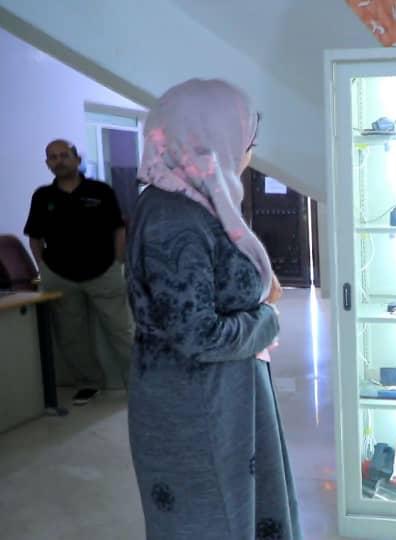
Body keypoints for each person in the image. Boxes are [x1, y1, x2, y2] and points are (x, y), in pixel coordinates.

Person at [125, 79, 301, 539]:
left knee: (240, 512)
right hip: (196, 410)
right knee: (214, 520)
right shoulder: (172, 216)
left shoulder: (195, 200)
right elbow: (197, 334)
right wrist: (267, 317)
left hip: (222, 396)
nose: (248, 153)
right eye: (245, 140)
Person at [24, 139, 134, 405]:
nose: (58, 161)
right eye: (52, 157)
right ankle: (88, 383)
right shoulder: (42, 196)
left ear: (77, 159)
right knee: (72, 336)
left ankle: (139, 382)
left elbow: (118, 229)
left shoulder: (101, 191)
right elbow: (35, 236)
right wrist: (43, 267)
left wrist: (118, 262)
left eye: (64, 155)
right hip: (60, 277)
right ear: (47, 164)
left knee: (122, 331)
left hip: (103, 273)